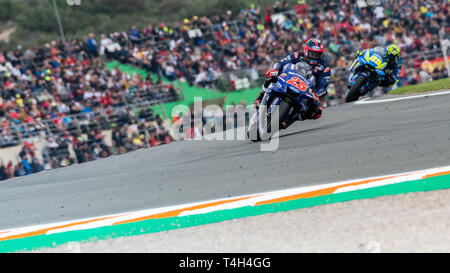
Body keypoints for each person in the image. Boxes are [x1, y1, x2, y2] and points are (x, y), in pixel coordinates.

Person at [253, 38, 330, 127]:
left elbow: (323, 88)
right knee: (271, 76)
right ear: (306, 52)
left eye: (317, 54)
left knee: (317, 111)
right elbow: (281, 63)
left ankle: (294, 118)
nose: (314, 57)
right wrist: (275, 69)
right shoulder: (297, 56)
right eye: (312, 54)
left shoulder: (324, 68)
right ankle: (260, 97)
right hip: (288, 80)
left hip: (307, 91)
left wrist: (316, 94)